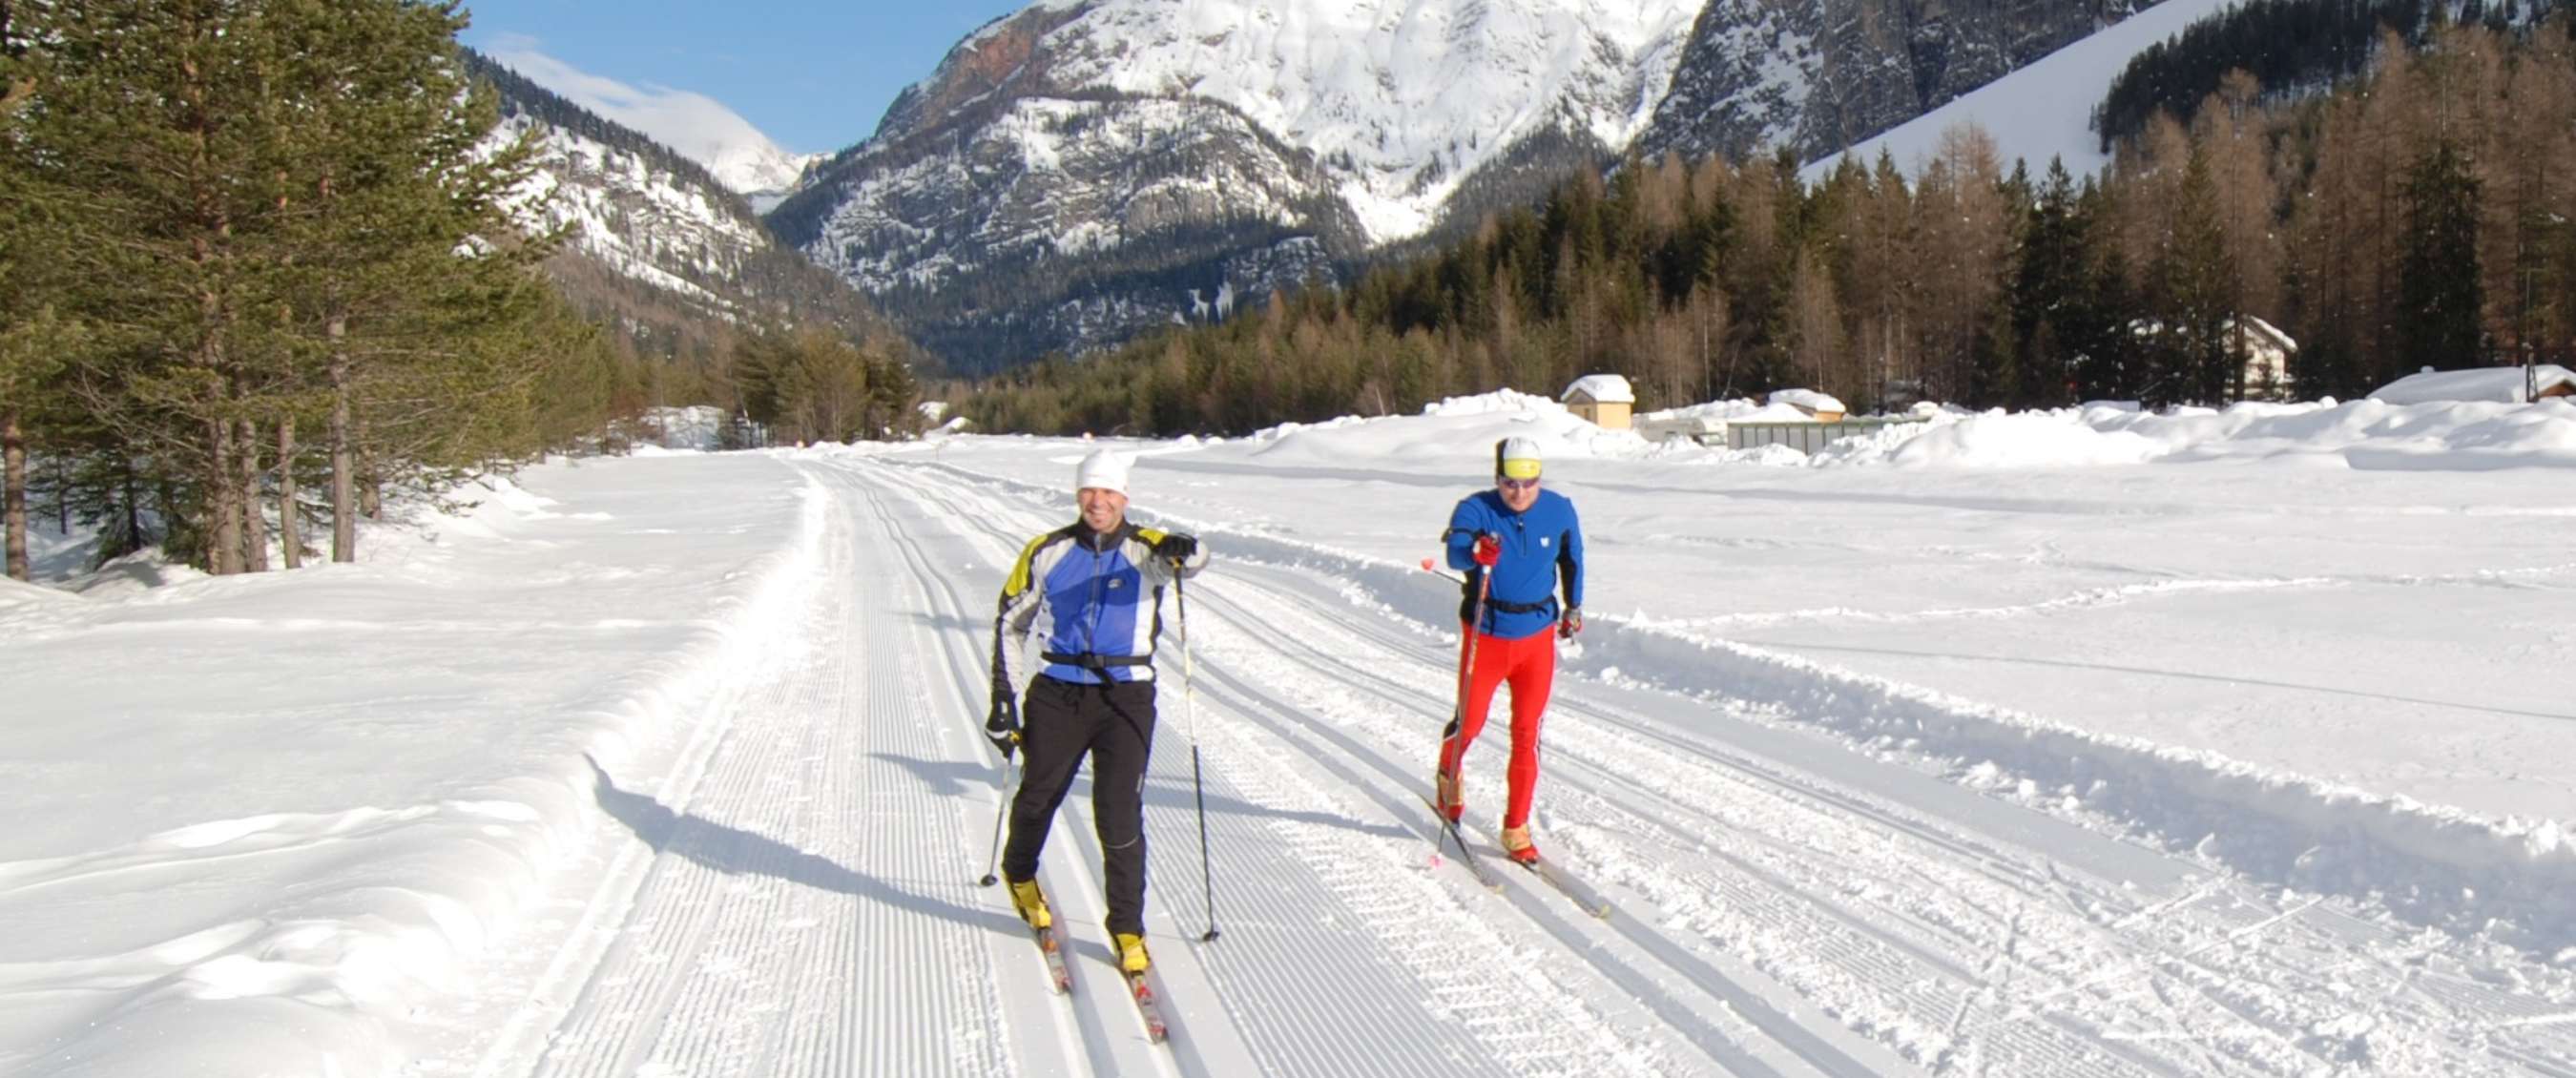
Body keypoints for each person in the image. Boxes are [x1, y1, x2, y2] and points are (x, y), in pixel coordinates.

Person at [987, 448, 1209, 975]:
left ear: (1124, 497)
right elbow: (1009, 622)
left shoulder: (1146, 549)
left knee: (1118, 812)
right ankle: (1019, 875)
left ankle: (1128, 928)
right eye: (1089, 491)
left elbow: (1193, 560)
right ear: (1078, 495)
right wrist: (1004, 697)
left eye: (1108, 492)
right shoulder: (1046, 550)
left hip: (1125, 694)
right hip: (1059, 691)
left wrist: (1188, 547)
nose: (1098, 501)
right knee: (1039, 797)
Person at [1433, 435, 1585, 864]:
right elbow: (1456, 553)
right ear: (1497, 478)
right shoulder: (1476, 508)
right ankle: (1448, 774)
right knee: (1472, 723)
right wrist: (1476, 551)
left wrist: (1574, 606)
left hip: (1536, 637)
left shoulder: (1559, 509)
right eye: (1509, 484)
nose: (1519, 493)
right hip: (1487, 634)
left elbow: (1573, 559)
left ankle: (1516, 826)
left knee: (1527, 733)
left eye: (1528, 483)